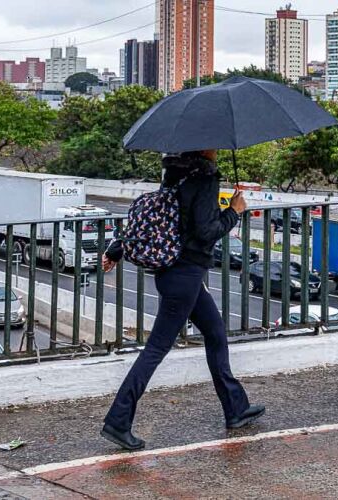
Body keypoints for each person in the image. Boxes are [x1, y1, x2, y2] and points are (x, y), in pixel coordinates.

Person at [99, 150, 265, 451]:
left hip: (174, 272)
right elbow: (205, 232)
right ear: (205, 148)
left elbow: (159, 225)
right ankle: (118, 421)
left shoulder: (175, 173)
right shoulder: (204, 178)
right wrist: (234, 211)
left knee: (215, 334)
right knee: (156, 349)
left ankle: (236, 408)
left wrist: (116, 250)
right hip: (185, 275)